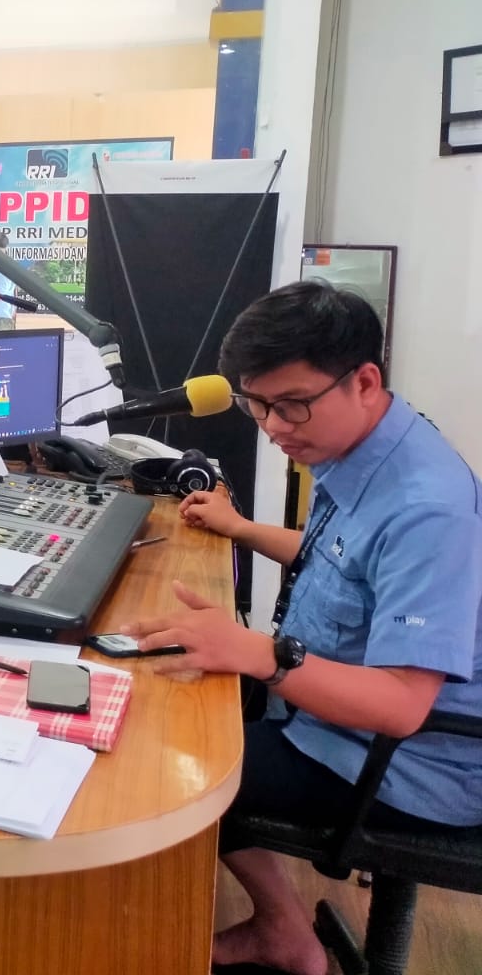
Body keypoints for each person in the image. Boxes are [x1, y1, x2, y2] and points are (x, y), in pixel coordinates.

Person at [121, 281, 482, 975]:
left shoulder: (427, 508)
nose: (274, 427)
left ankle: (260, 933)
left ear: (364, 381)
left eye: (291, 405)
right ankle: (285, 931)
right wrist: (240, 528)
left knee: (173, 770)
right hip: (331, 709)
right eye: (257, 405)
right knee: (166, 700)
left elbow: (402, 707)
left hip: (405, 762)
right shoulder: (365, 446)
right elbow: (346, 565)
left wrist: (261, 655)